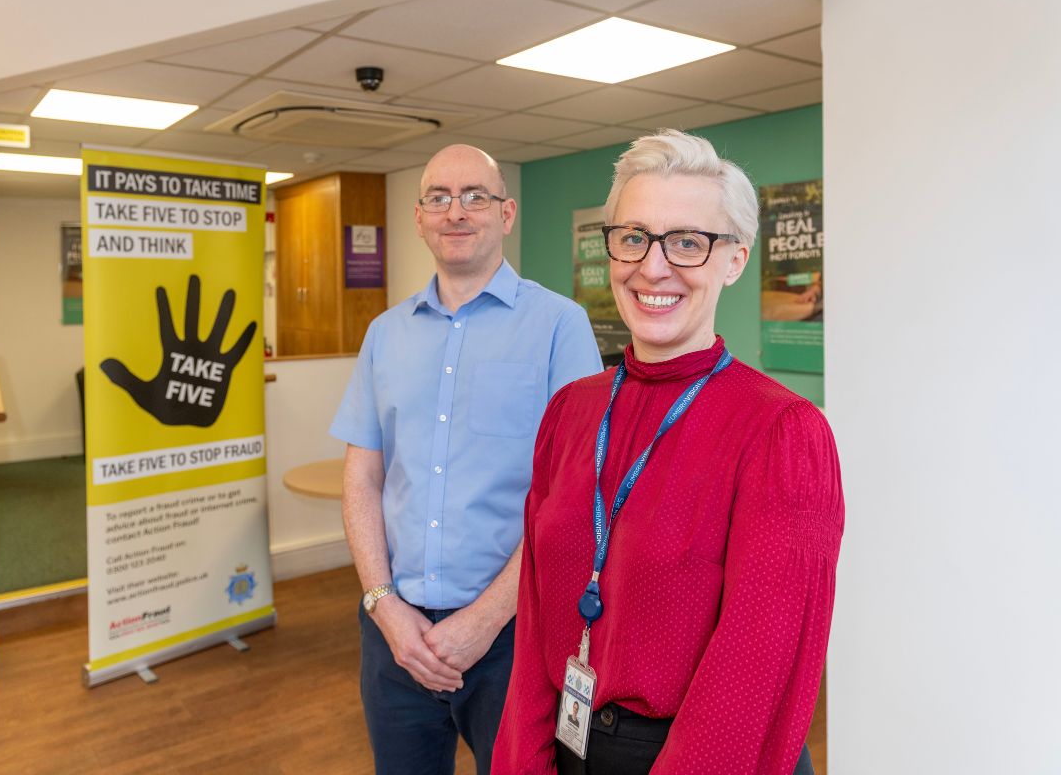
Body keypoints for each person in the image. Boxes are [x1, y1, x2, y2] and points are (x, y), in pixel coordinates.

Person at [491, 130, 844, 775]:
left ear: (734, 260)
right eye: (634, 237)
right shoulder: (570, 413)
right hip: (571, 743)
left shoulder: (783, 433)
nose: (653, 267)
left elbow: (755, 670)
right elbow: (539, 619)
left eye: (687, 241)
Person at [331, 144, 603, 775]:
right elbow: (363, 474)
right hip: (392, 633)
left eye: (475, 196)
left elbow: (573, 496)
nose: (456, 211)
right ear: (420, 217)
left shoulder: (560, 326)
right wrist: (382, 603)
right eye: (438, 198)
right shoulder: (385, 334)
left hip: (514, 635)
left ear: (505, 214)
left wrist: (482, 621)